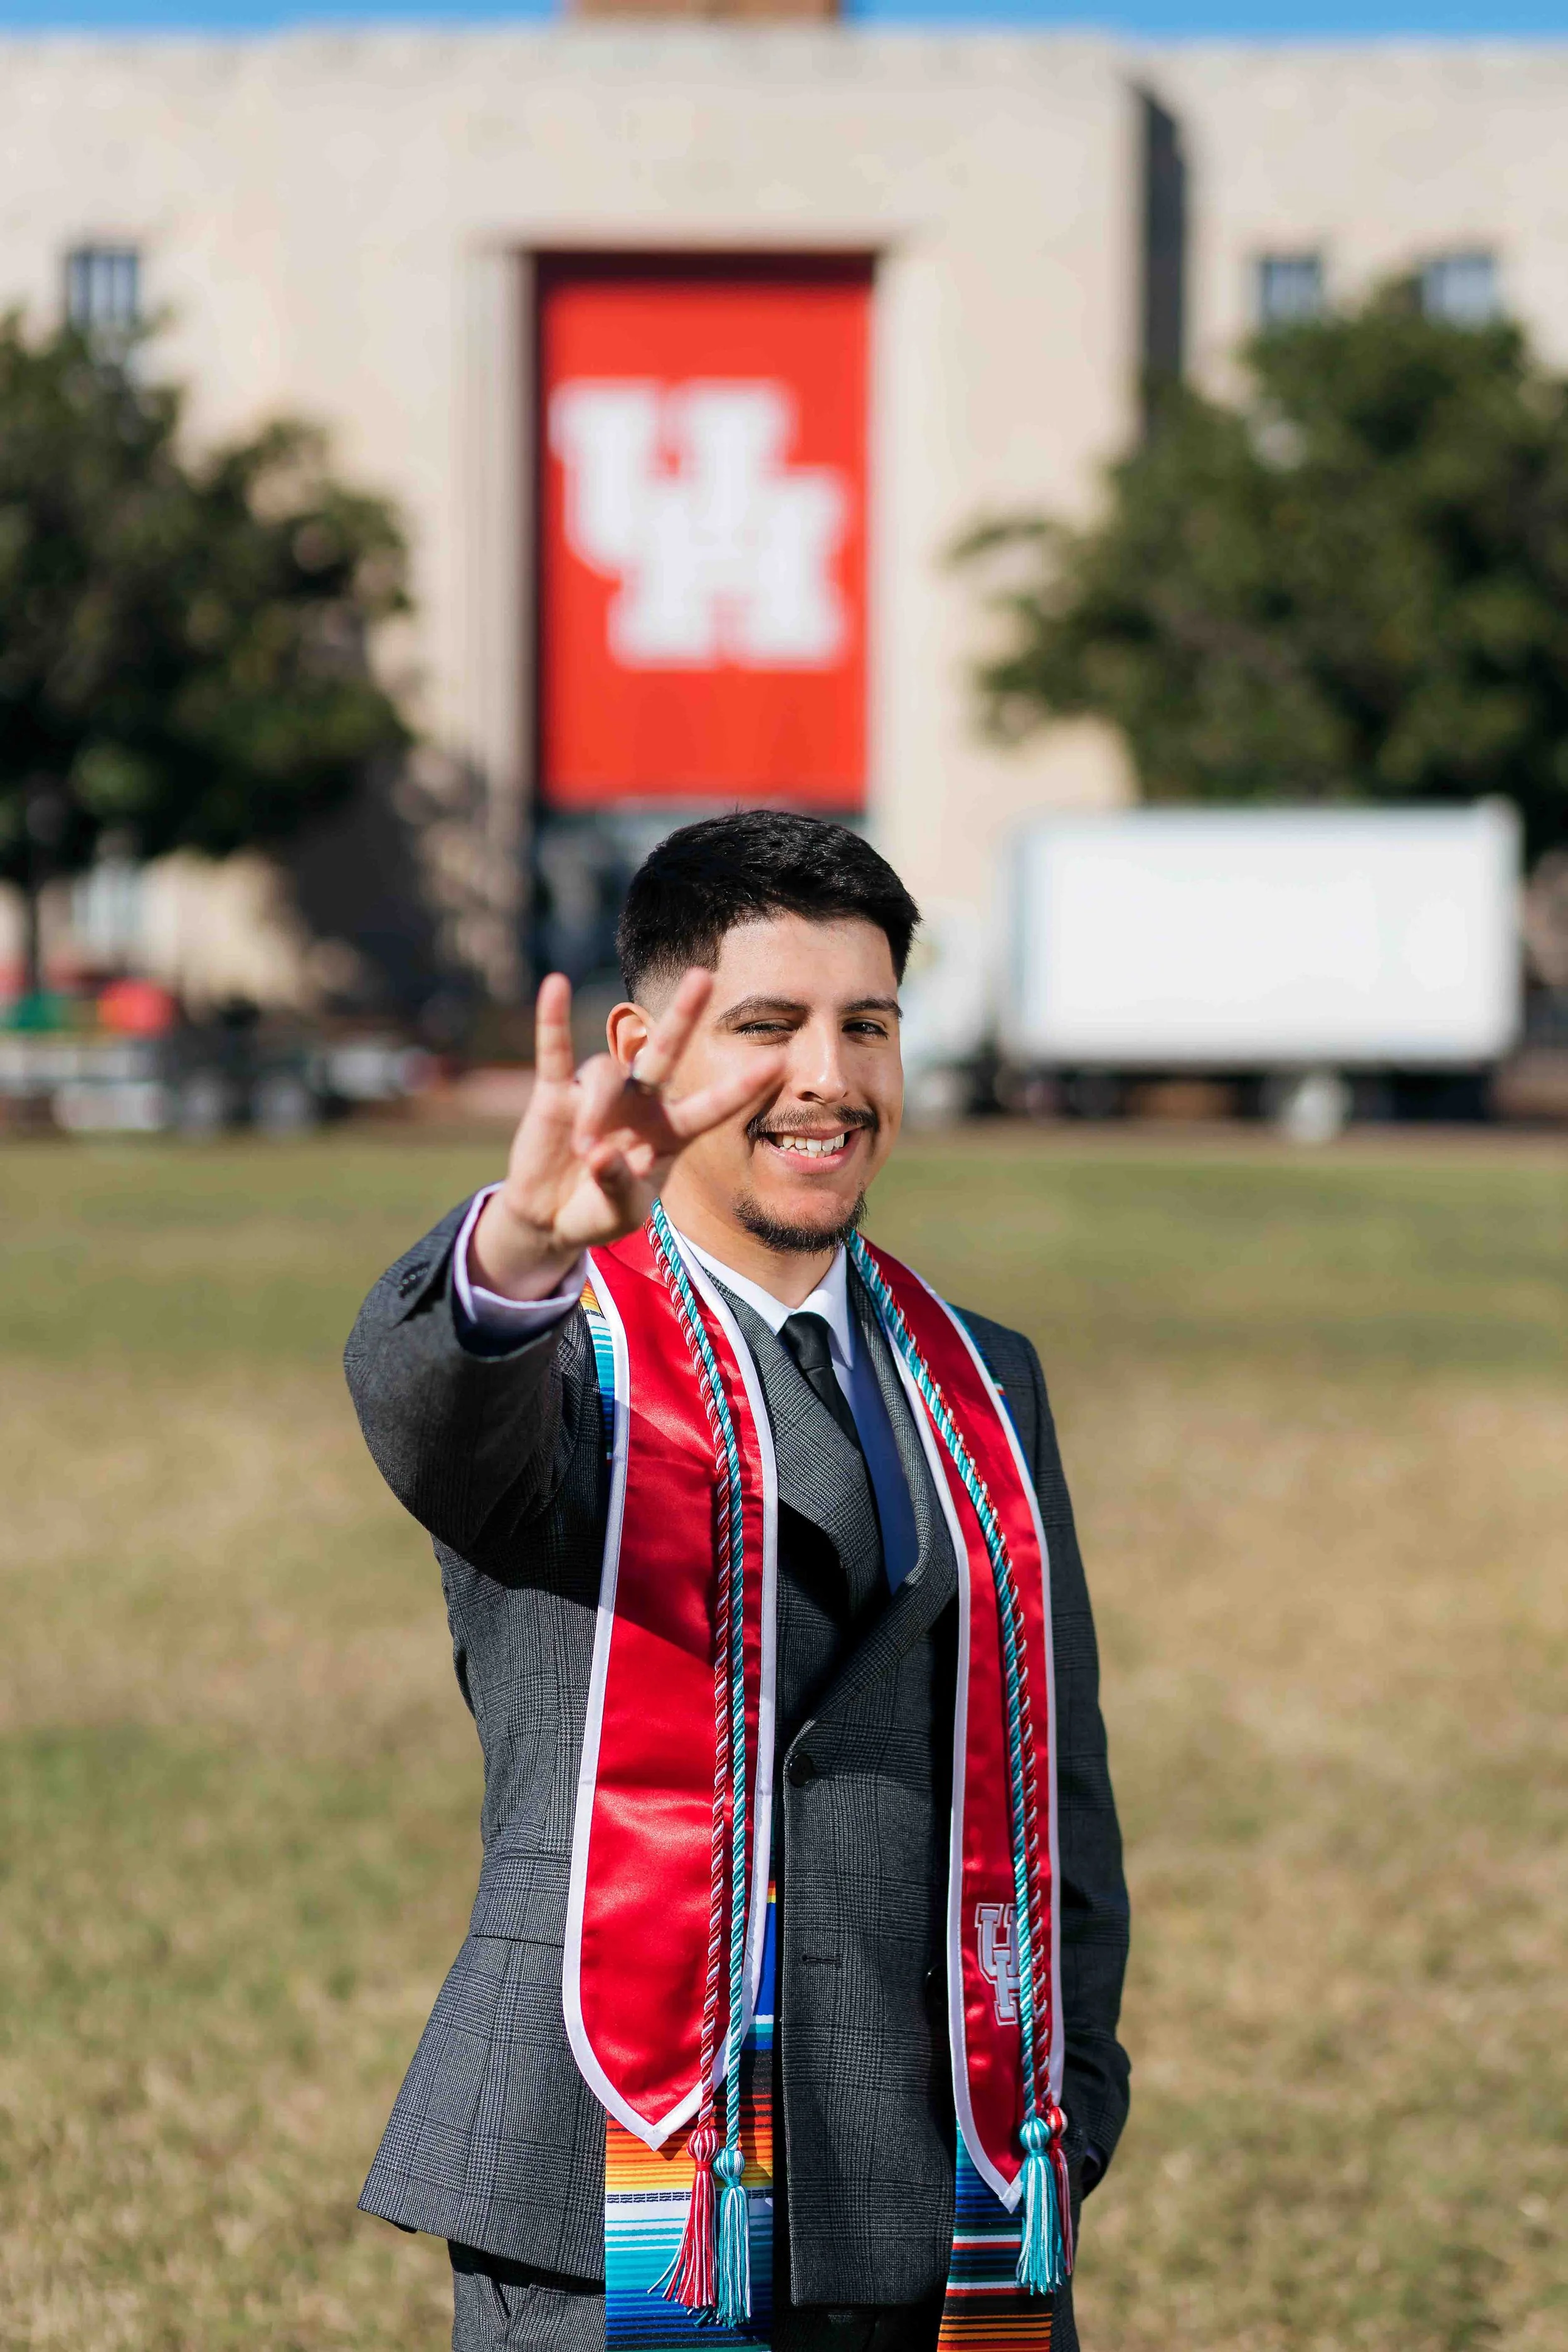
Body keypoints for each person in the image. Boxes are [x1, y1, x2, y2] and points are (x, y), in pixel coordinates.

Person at [345, 810, 1130, 2352]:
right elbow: (431, 1410)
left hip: (942, 2174)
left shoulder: (985, 1380)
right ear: (647, 1043)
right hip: (617, 2171)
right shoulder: (561, 1345)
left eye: (867, 1026)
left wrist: (1067, 2096)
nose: (826, 1080)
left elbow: (1063, 1784)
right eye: (766, 1027)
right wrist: (517, 1249)